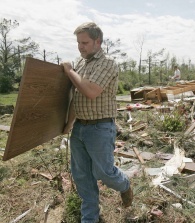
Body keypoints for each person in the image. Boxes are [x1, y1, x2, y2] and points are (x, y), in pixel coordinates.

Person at [61, 22, 133, 223]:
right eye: (78, 42)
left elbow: (90, 91)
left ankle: (125, 184)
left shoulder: (107, 63)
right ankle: (90, 218)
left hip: (100, 128)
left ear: (97, 42)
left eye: (84, 42)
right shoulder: (81, 64)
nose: (80, 47)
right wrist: (68, 125)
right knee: (82, 176)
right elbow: (77, 97)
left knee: (104, 173)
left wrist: (69, 72)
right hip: (80, 128)